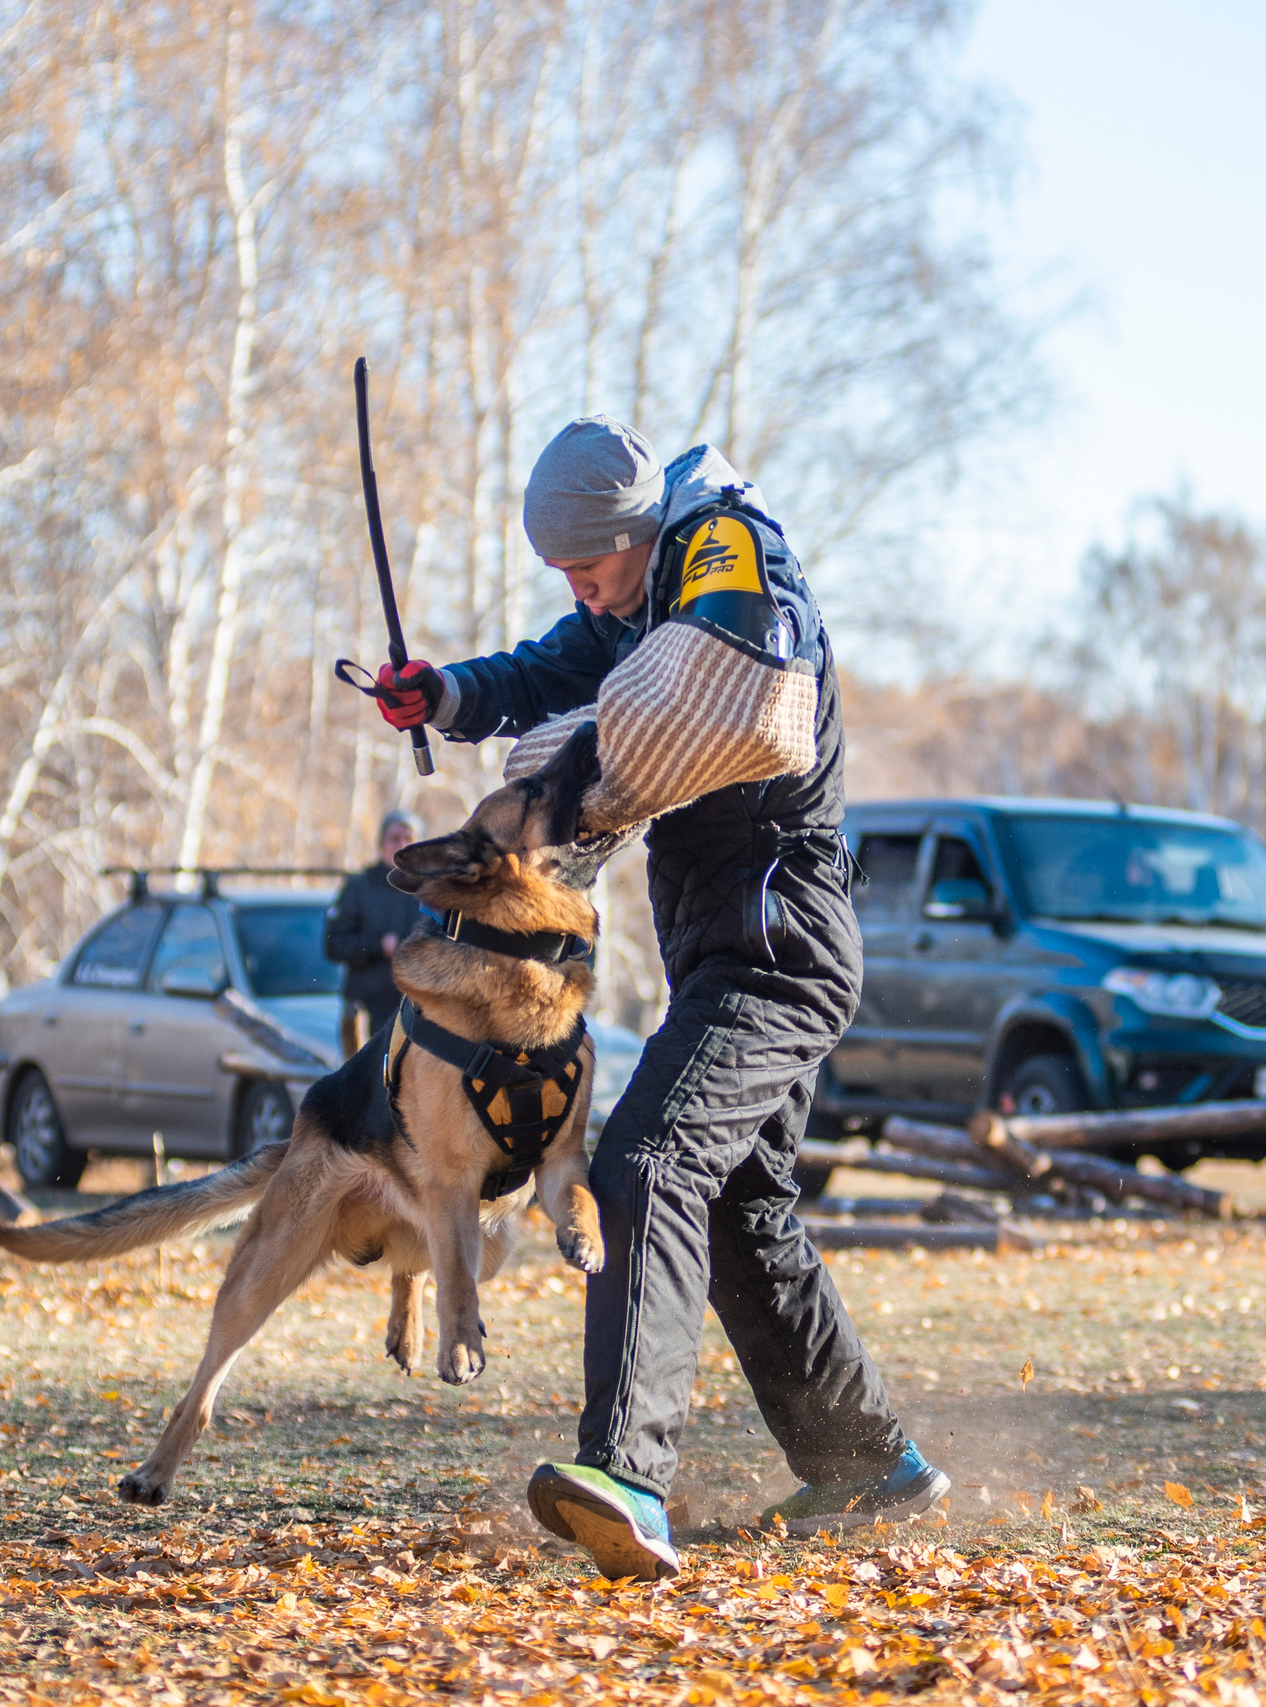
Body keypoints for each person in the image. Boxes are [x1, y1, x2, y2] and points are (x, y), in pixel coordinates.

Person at [368, 417, 945, 1581]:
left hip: (777, 938)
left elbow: (732, 676)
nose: (577, 588)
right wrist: (443, 695)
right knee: (741, 1208)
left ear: (638, 529)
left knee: (645, 1162)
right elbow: (551, 669)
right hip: (724, 939)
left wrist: (576, 760)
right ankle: (868, 1468)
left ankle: (626, 1472)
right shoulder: (634, 595)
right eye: (562, 572)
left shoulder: (723, 547)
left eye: (588, 564)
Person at [324, 811, 424, 1053]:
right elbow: (333, 944)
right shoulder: (359, 887)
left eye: (408, 838)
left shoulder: (431, 891)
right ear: (381, 844)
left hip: (417, 1010)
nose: (402, 845)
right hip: (366, 1010)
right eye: (395, 838)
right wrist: (378, 946)